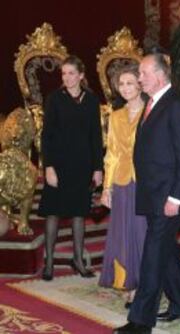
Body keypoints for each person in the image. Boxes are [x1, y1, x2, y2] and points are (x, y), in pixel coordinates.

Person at [114, 50, 180, 334]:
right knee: (167, 252)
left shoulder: (176, 106)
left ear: (159, 76)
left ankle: (140, 322)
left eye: (144, 74)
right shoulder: (154, 103)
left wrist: (176, 197)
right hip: (153, 194)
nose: (139, 79)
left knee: (152, 257)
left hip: (168, 197)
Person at [38, 55, 103, 281]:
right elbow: (47, 136)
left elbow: (96, 136)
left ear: (81, 75)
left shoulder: (92, 100)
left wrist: (98, 168)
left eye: (71, 73)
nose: (67, 77)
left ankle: (77, 260)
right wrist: (49, 167)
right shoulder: (55, 99)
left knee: (79, 213)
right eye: (63, 73)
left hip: (83, 165)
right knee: (53, 213)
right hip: (58, 164)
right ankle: (49, 263)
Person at [99, 64, 147, 308]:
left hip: (144, 182)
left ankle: (142, 284)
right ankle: (128, 282)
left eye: (130, 83)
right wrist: (107, 189)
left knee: (141, 233)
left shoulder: (150, 112)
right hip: (121, 182)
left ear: (140, 84)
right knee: (123, 233)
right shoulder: (115, 116)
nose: (126, 88)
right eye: (122, 84)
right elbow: (112, 154)